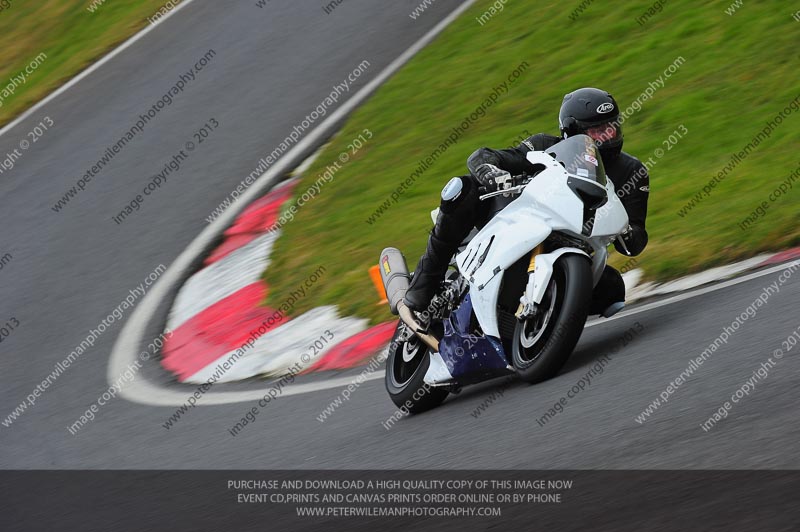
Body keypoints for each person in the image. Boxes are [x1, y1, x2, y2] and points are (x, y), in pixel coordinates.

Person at [403, 87, 650, 317]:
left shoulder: (632, 171)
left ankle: (544, 322)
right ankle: (424, 284)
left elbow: (636, 239)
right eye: (596, 132)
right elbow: (489, 155)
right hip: (521, 221)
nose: (606, 137)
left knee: (613, 290)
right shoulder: (546, 146)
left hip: (581, 243)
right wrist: (489, 170)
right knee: (463, 189)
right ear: (572, 132)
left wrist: (627, 230)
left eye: (610, 129)